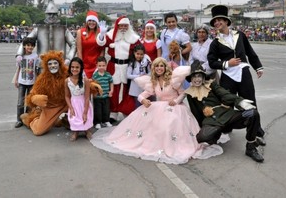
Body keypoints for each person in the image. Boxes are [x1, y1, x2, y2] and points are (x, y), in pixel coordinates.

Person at [90, 57, 223, 165]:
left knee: (170, 123)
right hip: (159, 107)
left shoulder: (173, 80)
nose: (159, 68)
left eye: (161, 66)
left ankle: (173, 146)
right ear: (154, 69)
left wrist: (176, 101)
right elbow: (143, 95)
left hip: (175, 107)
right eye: (156, 66)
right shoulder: (152, 82)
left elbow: (183, 93)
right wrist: (143, 101)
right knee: (148, 122)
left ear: (165, 68)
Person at [207, 5, 266, 145]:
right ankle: (226, 128)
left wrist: (258, 66)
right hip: (228, 75)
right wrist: (227, 63)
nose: (217, 23)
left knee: (250, 101)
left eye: (220, 20)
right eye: (215, 21)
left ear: (226, 21)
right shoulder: (215, 42)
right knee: (227, 103)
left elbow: (250, 52)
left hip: (243, 72)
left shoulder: (240, 35)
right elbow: (211, 62)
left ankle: (256, 132)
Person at [185, 60, 265, 162]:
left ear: (203, 77)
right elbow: (196, 113)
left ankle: (251, 147)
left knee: (252, 114)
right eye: (194, 76)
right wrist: (201, 128)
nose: (197, 79)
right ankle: (215, 135)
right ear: (191, 78)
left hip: (227, 116)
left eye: (199, 76)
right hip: (211, 122)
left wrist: (239, 101)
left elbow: (224, 94)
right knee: (203, 137)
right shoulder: (190, 94)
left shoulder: (211, 85)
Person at [96, 16, 141, 122]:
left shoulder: (134, 37)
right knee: (113, 90)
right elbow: (101, 43)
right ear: (117, 25)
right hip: (114, 65)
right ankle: (113, 112)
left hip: (128, 66)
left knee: (128, 90)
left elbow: (140, 50)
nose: (123, 28)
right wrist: (102, 34)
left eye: (126, 25)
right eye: (121, 26)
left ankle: (126, 110)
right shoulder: (111, 35)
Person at [16, 0, 76, 66]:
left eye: (54, 14)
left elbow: (73, 44)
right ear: (46, 14)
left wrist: (68, 58)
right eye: (49, 14)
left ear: (57, 15)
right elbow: (26, 41)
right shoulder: (38, 29)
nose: (51, 16)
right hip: (42, 65)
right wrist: (19, 54)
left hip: (60, 65)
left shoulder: (63, 30)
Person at [20, 51, 68, 136]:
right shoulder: (43, 78)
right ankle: (32, 118)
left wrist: (91, 86)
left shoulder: (67, 73)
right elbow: (32, 95)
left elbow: (80, 81)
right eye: (50, 64)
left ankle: (63, 120)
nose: (53, 65)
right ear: (46, 65)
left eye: (55, 63)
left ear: (60, 63)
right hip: (51, 107)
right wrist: (35, 99)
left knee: (80, 123)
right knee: (38, 131)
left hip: (67, 104)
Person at [65, 57, 94, 141]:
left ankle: (87, 130)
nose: (74, 69)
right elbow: (67, 96)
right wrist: (70, 107)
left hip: (84, 103)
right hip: (74, 103)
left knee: (84, 118)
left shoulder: (86, 81)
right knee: (74, 117)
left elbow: (87, 97)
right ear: (70, 68)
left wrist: (85, 112)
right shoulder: (67, 81)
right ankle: (75, 132)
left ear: (81, 68)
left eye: (77, 67)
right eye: (72, 67)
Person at [14, 37, 39, 128]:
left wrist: (36, 81)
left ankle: (27, 118)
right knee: (20, 102)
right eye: (28, 45)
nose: (30, 47)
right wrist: (16, 80)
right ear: (24, 46)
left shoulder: (36, 56)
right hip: (22, 82)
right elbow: (18, 69)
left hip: (31, 83)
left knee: (29, 102)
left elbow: (36, 70)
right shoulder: (21, 57)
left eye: (32, 46)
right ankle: (19, 120)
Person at [76, 10, 104, 78]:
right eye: (90, 20)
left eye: (93, 21)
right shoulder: (80, 32)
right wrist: (81, 65)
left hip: (96, 64)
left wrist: (100, 65)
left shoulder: (101, 32)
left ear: (96, 22)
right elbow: (79, 50)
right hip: (85, 64)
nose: (91, 23)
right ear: (87, 21)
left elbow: (102, 50)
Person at [126, 44, 151, 110]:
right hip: (136, 87)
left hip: (145, 87)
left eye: (141, 54)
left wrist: (146, 76)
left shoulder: (146, 62)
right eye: (137, 54)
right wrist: (138, 76)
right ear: (134, 53)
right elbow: (128, 75)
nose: (139, 56)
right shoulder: (132, 63)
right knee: (138, 106)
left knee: (146, 104)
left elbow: (150, 72)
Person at [92, 56, 114, 129]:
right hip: (97, 97)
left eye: (103, 65)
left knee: (106, 109)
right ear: (97, 66)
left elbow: (111, 82)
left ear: (106, 66)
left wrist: (111, 91)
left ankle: (106, 121)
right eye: (99, 65)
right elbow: (93, 85)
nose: (101, 67)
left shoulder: (108, 75)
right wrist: (94, 93)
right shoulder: (95, 76)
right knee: (98, 111)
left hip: (106, 96)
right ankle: (98, 122)